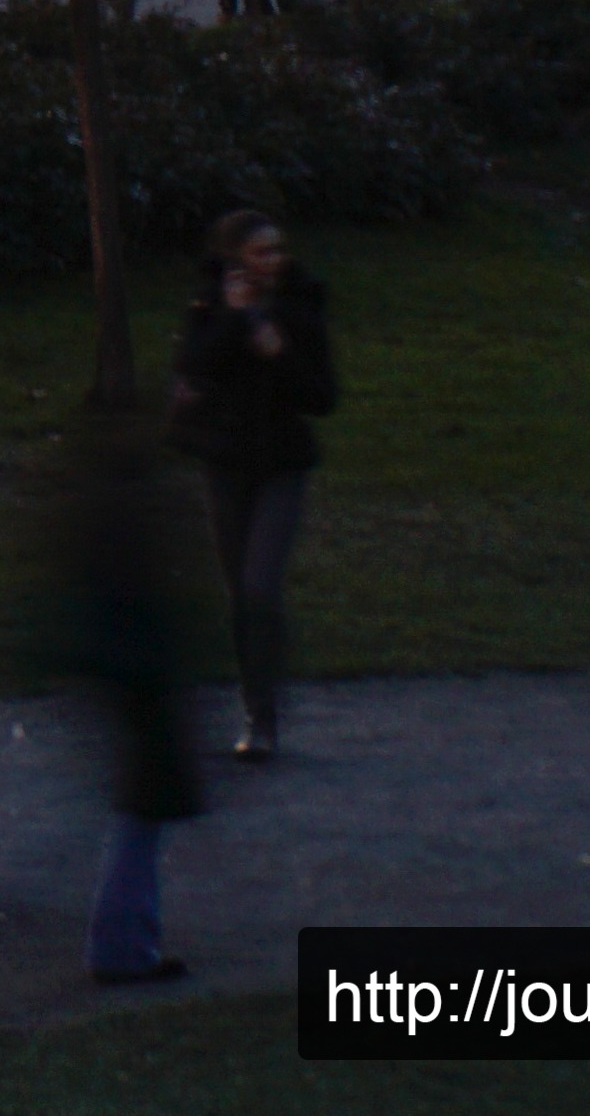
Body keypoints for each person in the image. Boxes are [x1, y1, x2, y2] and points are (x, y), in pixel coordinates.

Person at [41, 398, 207, 982]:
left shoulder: (91, 509)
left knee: (131, 811)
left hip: (116, 671)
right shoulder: (139, 510)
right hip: (141, 675)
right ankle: (122, 948)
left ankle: (125, 943)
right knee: (139, 815)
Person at [169, 207, 338, 763]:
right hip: (225, 462)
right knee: (240, 595)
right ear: (235, 259)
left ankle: (264, 717)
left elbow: (323, 395)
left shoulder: (301, 307)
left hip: (281, 464)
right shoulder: (211, 306)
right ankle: (254, 708)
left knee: (261, 587)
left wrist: (278, 350)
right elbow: (192, 365)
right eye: (260, 251)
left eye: (277, 249)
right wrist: (235, 322)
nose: (274, 260)